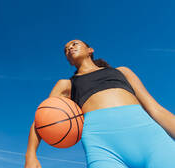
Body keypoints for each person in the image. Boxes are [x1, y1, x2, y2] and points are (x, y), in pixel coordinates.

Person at [24, 40, 175, 168]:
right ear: (69, 61)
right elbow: (42, 119)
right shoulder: (66, 85)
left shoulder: (122, 71)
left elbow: (155, 109)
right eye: (66, 50)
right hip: (103, 148)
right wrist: (30, 155)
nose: (69, 48)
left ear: (90, 50)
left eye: (74, 44)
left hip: (151, 139)